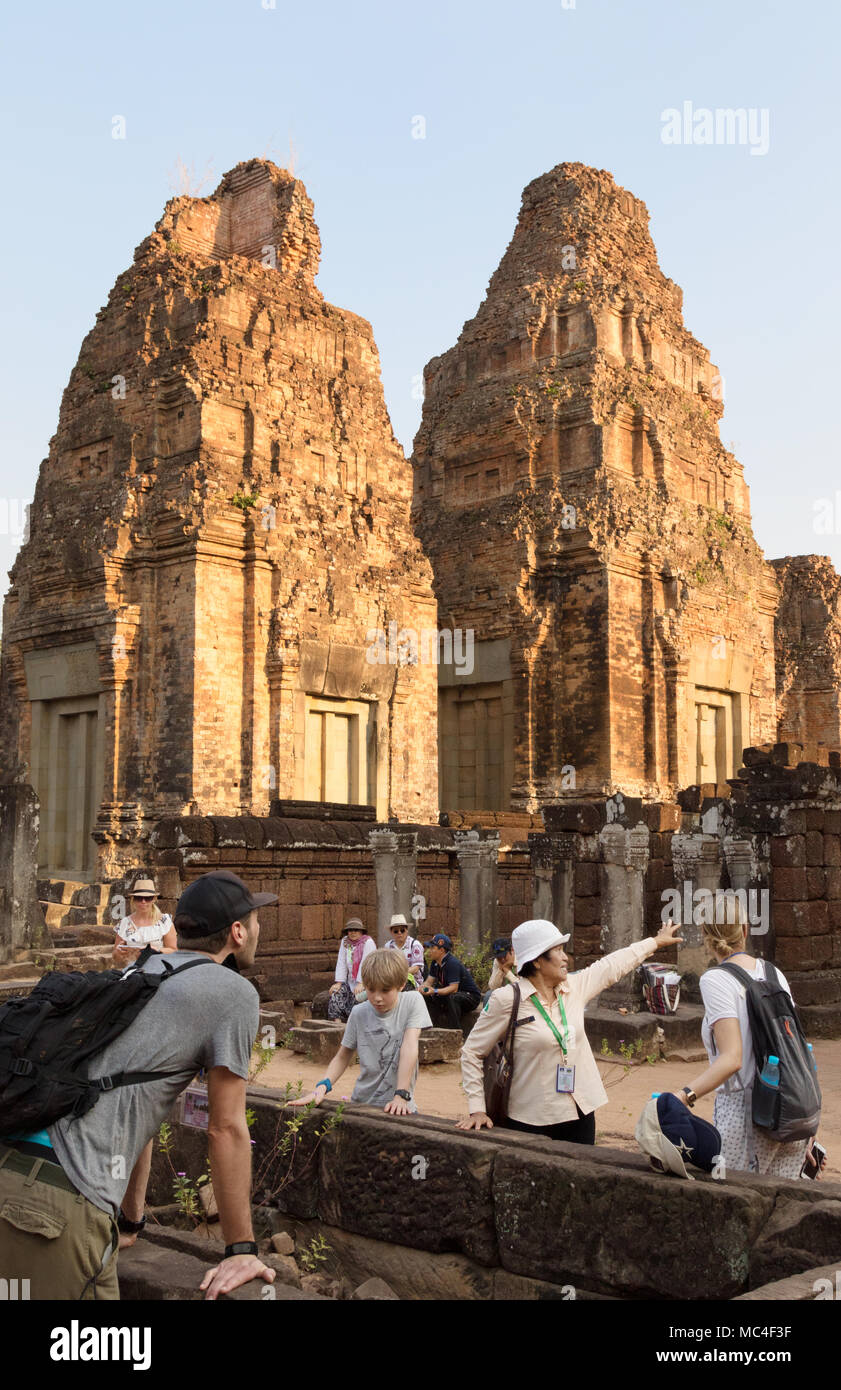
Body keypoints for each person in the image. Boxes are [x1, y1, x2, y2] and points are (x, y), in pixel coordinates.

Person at [0, 869, 279, 1301]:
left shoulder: (143, 970)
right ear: (238, 932)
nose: (261, 927)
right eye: (256, 918)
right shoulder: (232, 992)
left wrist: (130, 1219)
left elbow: (134, 1104)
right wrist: (241, 1250)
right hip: (57, 1204)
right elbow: (225, 1128)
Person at [458, 916, 683, 1143]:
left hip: (580, 1109)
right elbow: (472, 1052)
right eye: (558, 951)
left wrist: (655, 942)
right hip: (531, 1118)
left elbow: (612, 965)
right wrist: (477, 1108)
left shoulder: (573, 988)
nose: (566, 957)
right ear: (537, 961)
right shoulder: (507, 999)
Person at [671, 905, 815, 1178]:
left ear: (705, 936)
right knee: (779, 1206)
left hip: (747, 1113)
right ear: (745, 930)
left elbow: (732, 1058)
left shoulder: (716, 979)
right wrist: (807, 1124)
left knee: (731, 1206)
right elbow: (800, 1051)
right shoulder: (774, 973)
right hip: (793, 1112)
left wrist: (684, 1096)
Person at [292, 948, 432, 1115]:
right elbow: (343, 1055)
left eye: (385, 990)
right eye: (371, 990)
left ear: (401, 985)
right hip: (362, 1104)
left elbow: (409, 1046)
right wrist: (322, 1087)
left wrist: (401, 1095)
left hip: (399, 1104)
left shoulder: (412, 1001)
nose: (377, 998)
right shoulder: (359, 1013)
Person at [111, 874, 177, 968]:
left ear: (154, 899)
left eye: (147, 898)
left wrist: (156, 950)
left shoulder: (165, 921)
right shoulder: (124, 923)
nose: (143, 901)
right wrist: (118, 952)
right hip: (133, 972)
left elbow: (174, 950)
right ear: (133, 900)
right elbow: (116, 957)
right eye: (139, 898)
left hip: (159, 970)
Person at [420, 933, 481, 1028]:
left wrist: (434, 991)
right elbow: (429, 982)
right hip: (453, 994)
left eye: (432, 948)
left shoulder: (452, 963)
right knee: (427, 996)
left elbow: (453, 988)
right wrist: (421, 989)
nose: (429, 950)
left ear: (441, 950)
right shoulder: (435, 962)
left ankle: (455, 1032)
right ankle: (431, 1027)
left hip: (471, 997)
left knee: (452, 997)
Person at [328, 917, 376, 1021]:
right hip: (349, 981)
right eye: (350, 930)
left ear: (361, 931)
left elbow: (367, 963)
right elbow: (341, 962)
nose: (353, 932)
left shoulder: (368, 942)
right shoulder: (345, 942)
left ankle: (353, 1024)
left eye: (356, 930)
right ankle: (337, 1024)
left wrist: (361, 982)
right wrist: (339, 982)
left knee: (359, 998)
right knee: (336, 993)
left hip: (366, 982)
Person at [384, 912, 425, 988]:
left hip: (412, 982)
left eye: (402, 930)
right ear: (391, 932)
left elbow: (415, 968)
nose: (399, 933)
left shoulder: (415, 945)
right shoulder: (388, 946)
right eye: (396, 931)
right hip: (392, 981)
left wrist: (398, 975)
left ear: (407, 930)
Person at [483, 937, 517, 1005]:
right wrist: (501, 969)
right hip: (505, 992)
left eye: (504, 956)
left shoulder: (521, 959)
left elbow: (521, 987)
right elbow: (493, 987)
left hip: (520, 993)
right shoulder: (497, 962)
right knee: (488, 995)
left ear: (512, 950)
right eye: (499, 958)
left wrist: (507, 971)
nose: (502, 960)